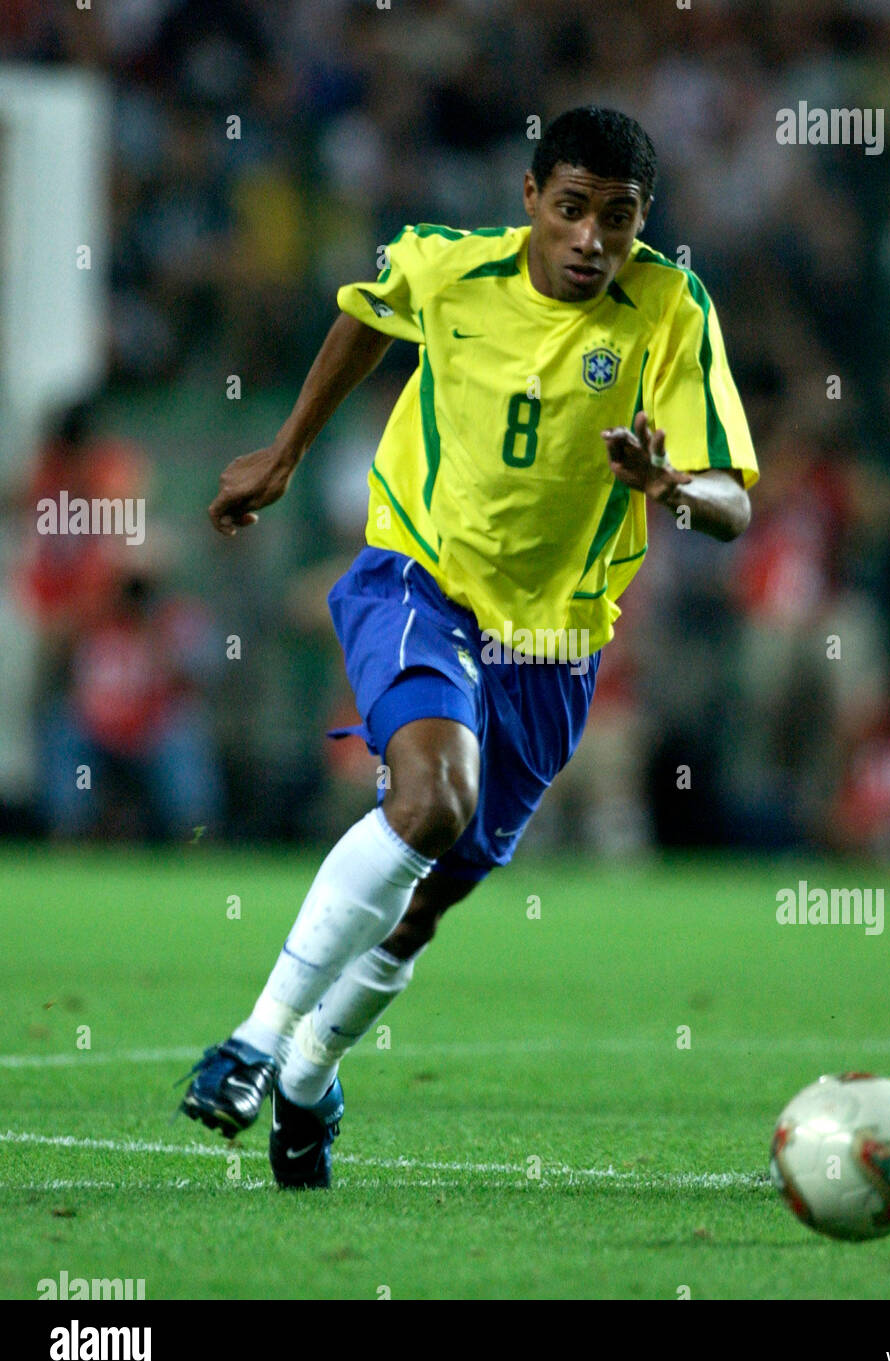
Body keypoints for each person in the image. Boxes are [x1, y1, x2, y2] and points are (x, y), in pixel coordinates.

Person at [180, 107, 758, 1188]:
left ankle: (310, 1078)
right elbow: (364, 318)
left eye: (620, 219)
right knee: (430, 801)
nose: (594, 238)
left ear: (644, 226)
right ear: (532, 199)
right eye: (574, 210)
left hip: (553, 641)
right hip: (419, 575)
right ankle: (254, 1044)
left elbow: (734, 502)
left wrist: (673, 484)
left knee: (428, 897)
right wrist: (290, 451)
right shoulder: (448, 269)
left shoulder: (673, 311)